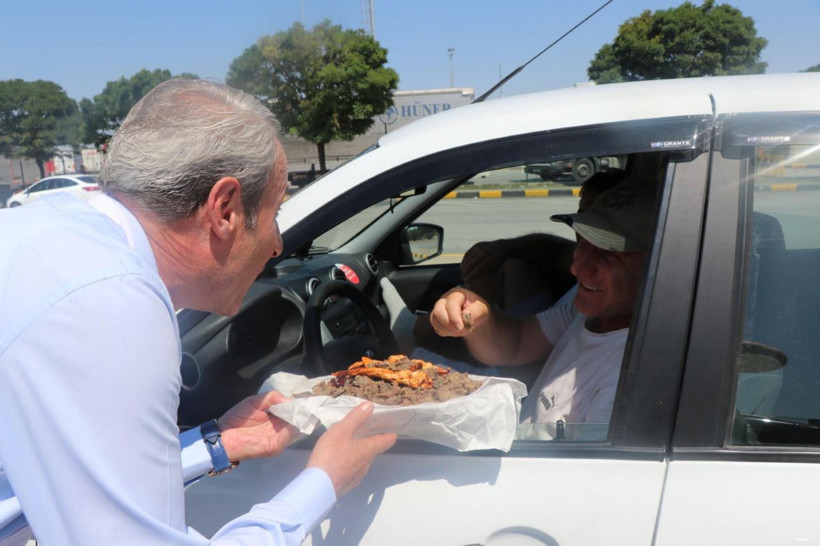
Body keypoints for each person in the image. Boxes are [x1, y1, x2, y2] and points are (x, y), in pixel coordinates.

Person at [0, 79, 396, 545]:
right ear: (225, 209)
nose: (278, 244)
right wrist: (322, 484)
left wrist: (214, 444)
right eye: (274, 214)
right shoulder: (111, 305)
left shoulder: (51, 234)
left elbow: (30, 489)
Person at [429, 174, 657, 439]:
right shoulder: (590, 308)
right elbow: (516, 343)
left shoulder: (629, 379)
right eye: (583, 241)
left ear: (657, 265)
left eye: (609, 254)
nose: (576, 267)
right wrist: (478, 315)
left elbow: (585, 476)